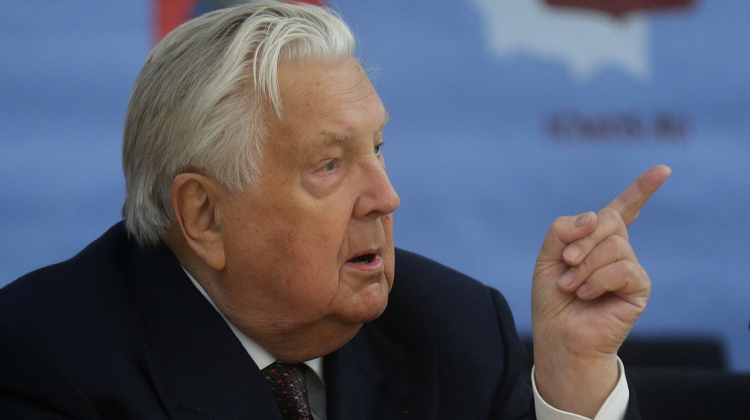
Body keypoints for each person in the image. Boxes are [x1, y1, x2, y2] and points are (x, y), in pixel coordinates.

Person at [0, 2, 670, 419]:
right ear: (204, 216)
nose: (386, 196)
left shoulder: (454, 327)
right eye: (329, 164)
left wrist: (573, 382)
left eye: (377, 149)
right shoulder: (46, 362)